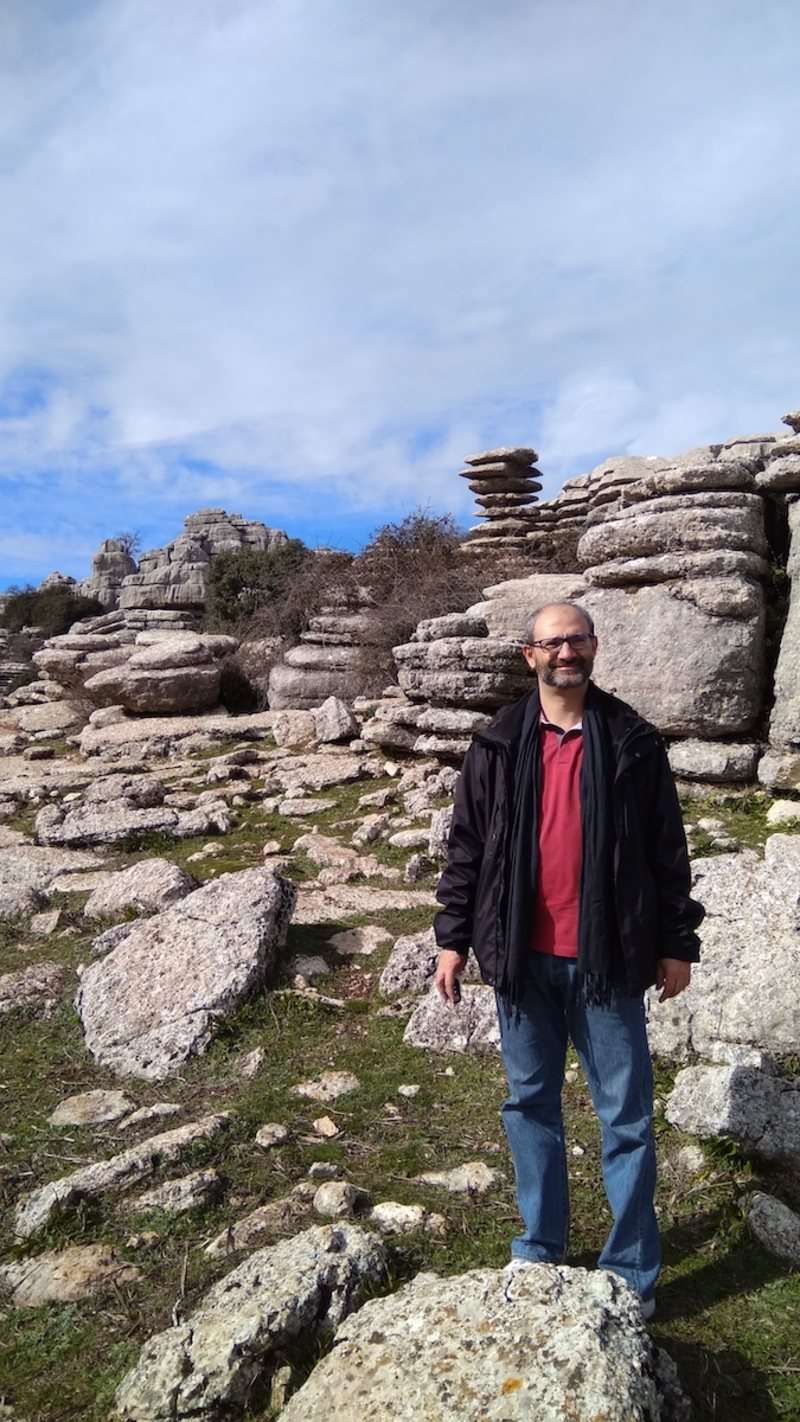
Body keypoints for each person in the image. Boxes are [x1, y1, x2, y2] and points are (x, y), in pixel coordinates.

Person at [433, 601, 703, 1317]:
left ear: (594, 645)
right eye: (552, 643)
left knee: (626, 1117)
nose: (565, 653)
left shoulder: (633, 741)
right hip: (521, 962)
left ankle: (630, 1271)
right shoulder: (496, 742)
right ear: (529, 655)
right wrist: (452, 939)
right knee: (530, 1105)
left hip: (608, 961)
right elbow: (468, 849)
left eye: (576, 639)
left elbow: (665, 851)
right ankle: (541, 1249)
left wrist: (678, 943)